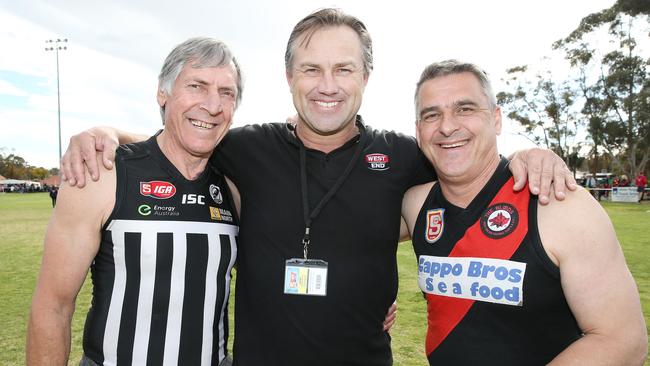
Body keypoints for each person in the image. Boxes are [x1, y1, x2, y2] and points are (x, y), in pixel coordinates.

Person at [60, 9, 577, 366]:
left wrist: (529, 156)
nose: (327, 85)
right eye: (311, 69)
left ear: (365, 77)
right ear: (289, 78)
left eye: (342, 69)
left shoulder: (405, 156)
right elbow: (179, 137)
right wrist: (106, 134)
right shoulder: (246, 148)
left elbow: (466, 160)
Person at [402, 60, 647, 365]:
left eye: (465, 109)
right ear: (418, 130)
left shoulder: (559, 203)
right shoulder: (414, 206)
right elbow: (348, 228)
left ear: (496, 119)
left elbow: (624, 340)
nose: (447, 126)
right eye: (431, 115)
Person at [27, 37, 242, 366]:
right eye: (197, 86)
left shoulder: (234, 186)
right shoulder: (104, 175)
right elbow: (53, 306)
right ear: (163, 92)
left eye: (226, 92)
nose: (213, 105)